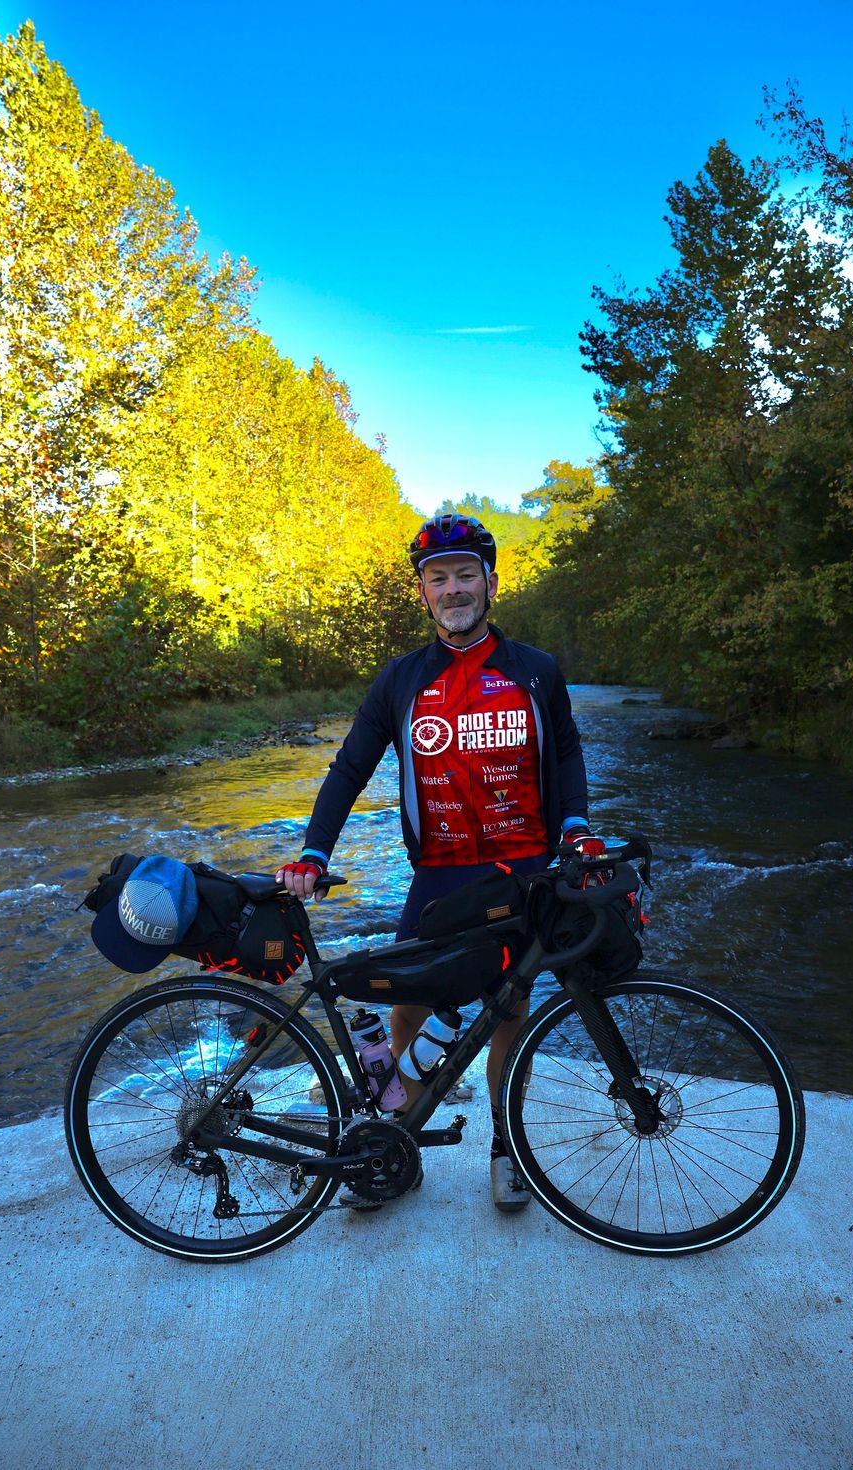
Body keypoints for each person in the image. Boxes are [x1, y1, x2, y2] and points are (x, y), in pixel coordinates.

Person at [277, 513, 605, 1212]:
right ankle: (398, 1146)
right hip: (439, 872)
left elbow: (568, 752)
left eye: (464, 575)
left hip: (523, 870)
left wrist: (576, 825)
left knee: (509, 1012)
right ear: (423, 593)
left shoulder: (536, 671)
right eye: (438, 579)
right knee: (409, 1004)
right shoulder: (401, 680)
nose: (453, 589)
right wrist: (314, 849)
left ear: (491, 584)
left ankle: (507, 1146)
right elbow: (350, 767)